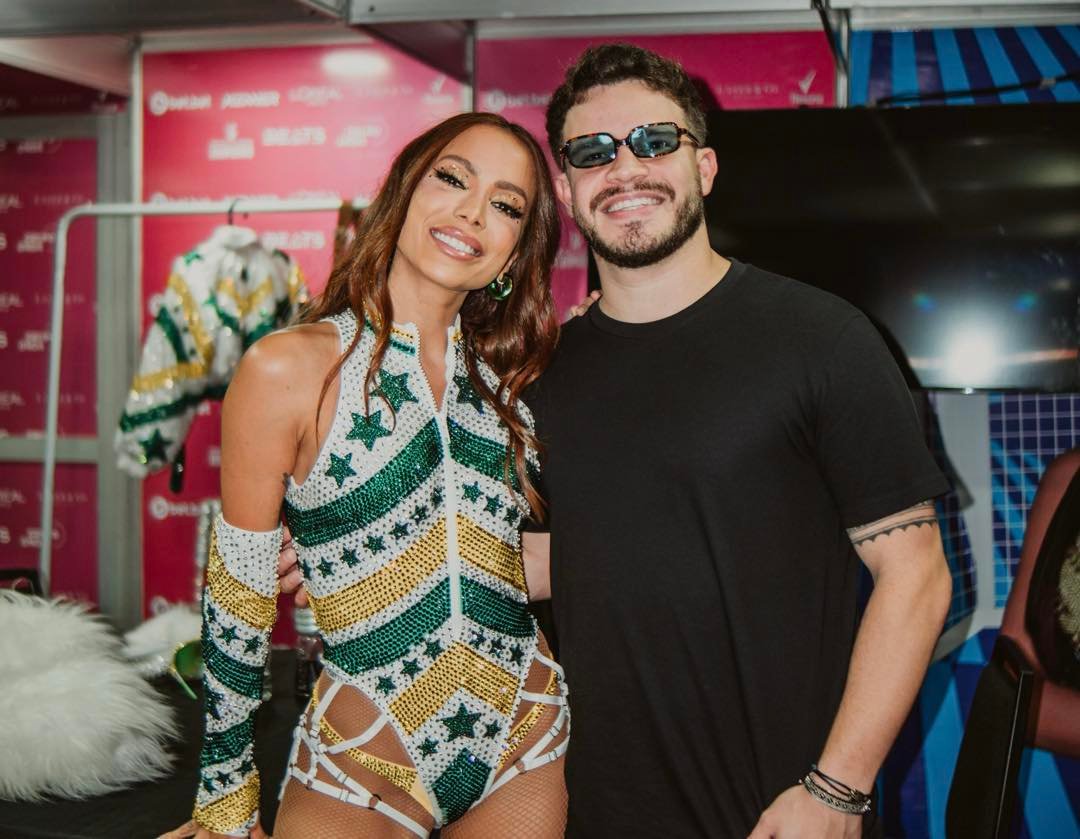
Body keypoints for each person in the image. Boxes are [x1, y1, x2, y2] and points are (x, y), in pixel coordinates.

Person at [524, 43, 952, 838]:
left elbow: (916, 576)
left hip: (777, 815)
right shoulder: (541, 375)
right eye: (593, 152)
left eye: (655, 140)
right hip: (595, 817)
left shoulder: (823, 340)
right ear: (566, 188)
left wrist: (837, 789)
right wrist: (360, 557)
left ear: (705, 166)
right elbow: (550, 561)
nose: (626, 168)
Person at [189, 111, 570, 839]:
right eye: (452, 179)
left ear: (515, 254)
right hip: (358, 761)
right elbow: (239, 595)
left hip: (524, 741)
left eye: (505, 205)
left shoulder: (517, 382)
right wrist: (224, 798)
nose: (471, 212)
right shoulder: (287, 367)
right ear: (403, 193)